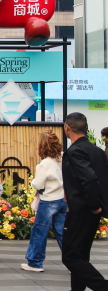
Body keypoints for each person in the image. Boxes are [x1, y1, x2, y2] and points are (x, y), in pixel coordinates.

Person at [61, 112, 108, 290]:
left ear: (67, 128)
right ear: (86, 128)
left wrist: (94, 205)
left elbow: (89, 179)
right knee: (80, 256)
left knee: (70, 257)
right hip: (91, 210)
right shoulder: (97, 151)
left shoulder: (75, 152)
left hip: (81, 210)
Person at [22, 131, 65, 272]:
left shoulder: (44, 164)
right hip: (62, 199)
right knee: (62, 232)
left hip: (48, 200)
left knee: (40, 231)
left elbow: (39, 184)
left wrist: (33, 182)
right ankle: (75, 261)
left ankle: (35, 262)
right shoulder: (62, 158)